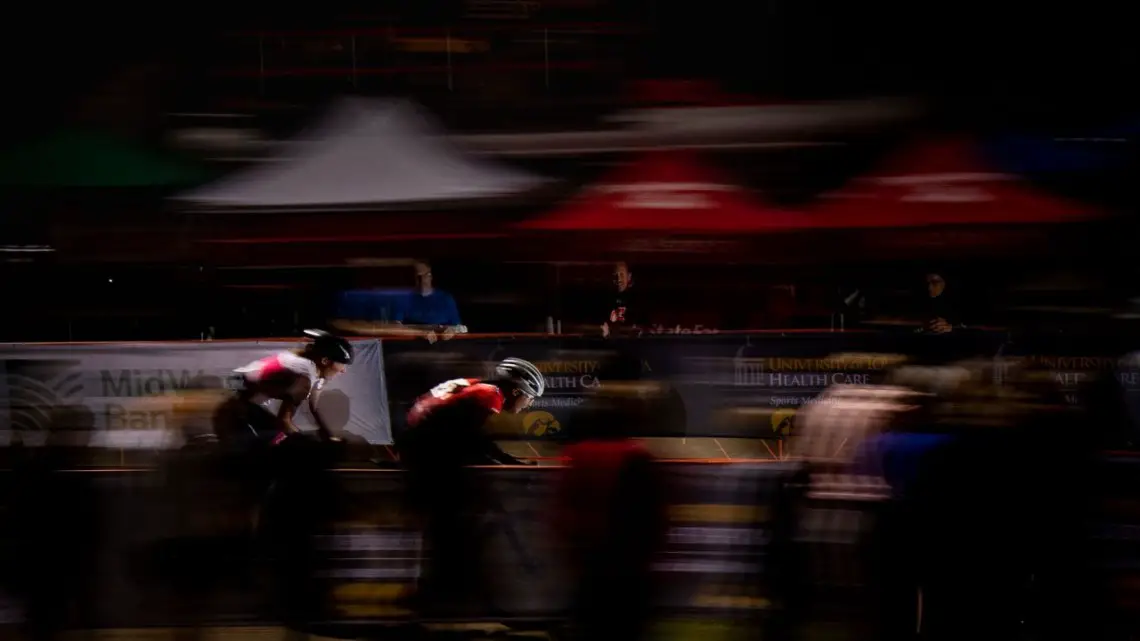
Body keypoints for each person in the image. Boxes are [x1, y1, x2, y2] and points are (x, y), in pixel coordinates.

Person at [395, 357, 542, 613]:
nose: (530, 405)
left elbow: (471, 437)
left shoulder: (476, 386)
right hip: (427, 458)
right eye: (530, 398)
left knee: (447, 527)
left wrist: (508, 461)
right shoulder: (490, 395)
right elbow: (473, 441)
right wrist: (508, 464)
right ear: (516, 390)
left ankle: (439, 593)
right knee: (451, 526)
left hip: (420, 450)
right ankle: (442, 598)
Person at [215, 328, 353, 448]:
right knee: (281, 447)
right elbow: (284, 421)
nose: (343, 371)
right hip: (239, 407)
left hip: (244, 399)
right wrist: (307, 442)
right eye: (342, 364)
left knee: (282, 442)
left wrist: (328, 436)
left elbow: (314, 408)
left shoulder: (316, 373)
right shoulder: (305, 378)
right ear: (325, 361)